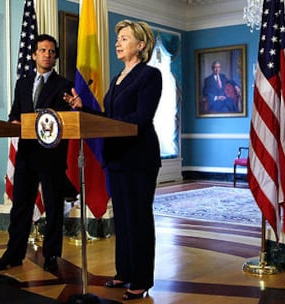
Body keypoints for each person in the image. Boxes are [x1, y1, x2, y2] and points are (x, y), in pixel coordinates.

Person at [64, 20, 162, 301]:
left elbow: (141, 119)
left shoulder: (150, 75)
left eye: (124, 39)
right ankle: (124, 271)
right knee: (123, 219)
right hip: (117, 156)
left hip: (139, 156)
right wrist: (86, 110)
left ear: (140, 46)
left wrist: (104, 118)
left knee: (138, 218)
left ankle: (141, 279)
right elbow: (111, 117)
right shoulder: (117, 78)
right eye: (117, 38)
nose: (117, 43)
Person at [0, 34, 72, 272]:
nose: (47, 55)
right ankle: (13, 254)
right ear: (33, 55)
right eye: (43, 50)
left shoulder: (63, 85)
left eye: (51, 51)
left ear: (55, 57)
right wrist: (14, 121)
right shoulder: (23, 83)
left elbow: (63, 120)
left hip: (51, 156)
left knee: (54, 207)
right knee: (20, 207)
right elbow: (15, 113)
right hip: (26, 154)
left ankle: (52, 255)